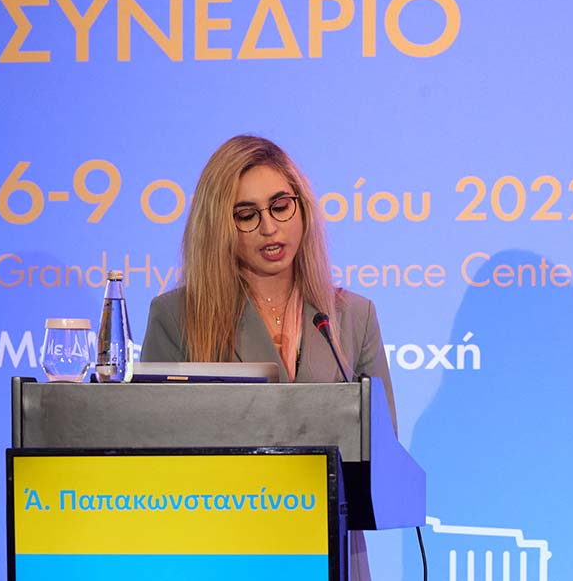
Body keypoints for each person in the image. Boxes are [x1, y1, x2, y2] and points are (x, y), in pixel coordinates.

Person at [140, 135, 396, 580]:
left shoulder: (353, 315)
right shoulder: (177, 316)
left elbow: (383, 450)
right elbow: (153, 454)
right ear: (219, 226)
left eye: (281, 206)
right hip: (226, 554)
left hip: (333, 554)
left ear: (303, 208)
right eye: (247, 215)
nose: (270, 228)